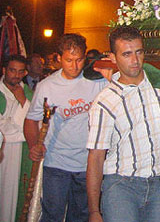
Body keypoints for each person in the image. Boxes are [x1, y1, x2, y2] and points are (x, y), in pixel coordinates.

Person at [86, 26, 160, 222]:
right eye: (127, 54)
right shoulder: (105, 101)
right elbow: (96, 157)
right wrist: (94, 211)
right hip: (122, 186)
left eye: (138, 52)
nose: (135, 60)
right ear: (113, 57)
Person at [24, 34, 107, 222]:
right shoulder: (47, 87)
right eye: (69, 60)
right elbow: (31, 120)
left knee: (80, 216)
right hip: (56, 163)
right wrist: (33, 145)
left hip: (88, 164)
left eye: (79, 60)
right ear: (59, 58)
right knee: (53, 215)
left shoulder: (98, 81)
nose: (74, 66)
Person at [0, 54, 32, 222]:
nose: (16, 75)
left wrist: (23, 101)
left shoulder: (28, 94)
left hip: (21, 155)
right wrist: (23, 133)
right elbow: (3, 131)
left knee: (13, 198)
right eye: (12, 70)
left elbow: (36, 125)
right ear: (4, 70)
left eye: (20, 72)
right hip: (2, 153)